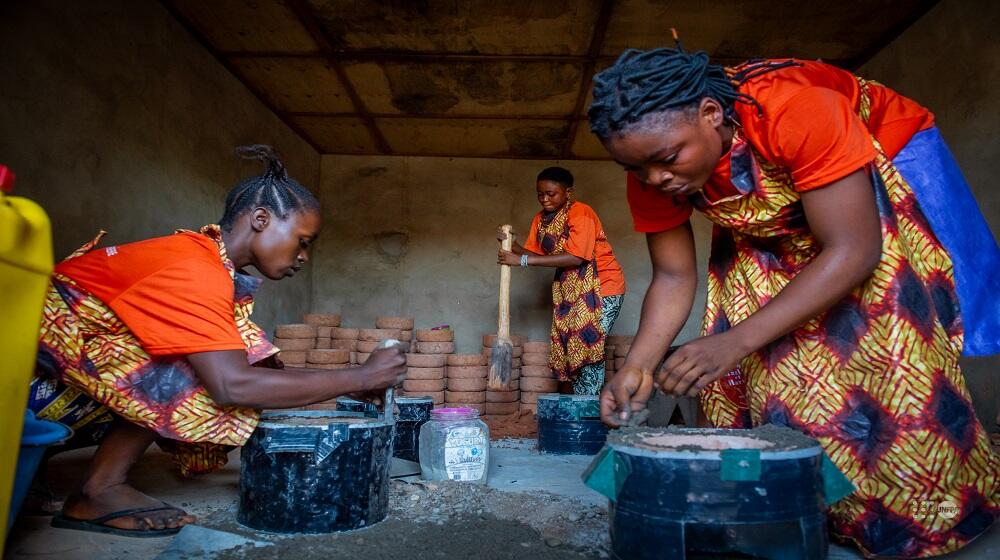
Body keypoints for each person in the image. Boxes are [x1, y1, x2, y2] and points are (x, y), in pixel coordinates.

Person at [589, 46, 999, 557]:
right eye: (637, 168)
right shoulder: (652, 157)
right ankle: (803, 507)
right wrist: (638, 367)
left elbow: (854, 249)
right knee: (768, 368)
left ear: (711, 116)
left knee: (883, 359)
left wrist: (732, 341)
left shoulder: (797, 109)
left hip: (875, 189)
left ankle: (917, 519)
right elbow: (673, 276)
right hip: (775, 226)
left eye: (668, 161)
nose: (655, 179)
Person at [26, 145, 406, 537]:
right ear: (261, 219)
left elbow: (250, 371)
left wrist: (349, 382)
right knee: (187, 366)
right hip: (21, 384)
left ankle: (29, 479)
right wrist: (360, 377)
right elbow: (232, 385)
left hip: (40, 373)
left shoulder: (206, 262)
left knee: (227, 355)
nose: (304, 256)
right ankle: (100, 490)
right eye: (303, 241)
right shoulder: (195, 269)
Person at [498, 167, 626, 395]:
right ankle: (573, 407)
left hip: (602, 287)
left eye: (551, 194)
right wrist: (512, 245)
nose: (544, 199)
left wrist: (522, 260)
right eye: (540, 194)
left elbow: (576, 257)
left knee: (589, 345)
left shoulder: (581, 213)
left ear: (568, 192)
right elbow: (538, 256)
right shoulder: (541, 219)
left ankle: (588, 409)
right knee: (567, 344)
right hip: (569, 291)